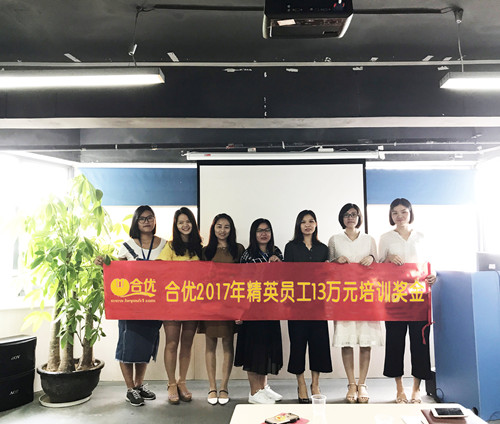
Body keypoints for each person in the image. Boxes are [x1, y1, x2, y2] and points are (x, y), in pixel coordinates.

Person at [95, 205, 166, 407]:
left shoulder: (165, 245)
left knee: (145, 346)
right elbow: (117, 275)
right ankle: (130, 389)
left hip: (154, 305)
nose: (146, 221)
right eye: (142, 218)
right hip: (130, 306)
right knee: (127, 347)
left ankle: (139, 385)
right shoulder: (126, 246)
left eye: (150, 217)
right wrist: (104, 266)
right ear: (136, 222)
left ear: (154, 220)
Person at [378, 198, 436, 404]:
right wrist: (388, 260)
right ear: (390, 215)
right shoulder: (385, 238)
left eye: (403, 211)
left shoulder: (421, 236)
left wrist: (433, 275)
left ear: (410, 213)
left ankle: (416, 389)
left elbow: (429, 264)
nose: (399, 216)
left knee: (419, 342)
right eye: (395, 212)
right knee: (395, 342)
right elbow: (378, 266)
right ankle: (399, 388)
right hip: (394, 297)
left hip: (418, 296)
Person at [328, 203, 382, 404]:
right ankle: (351, 383)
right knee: (347, 341)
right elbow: (326, 267)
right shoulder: (334, 239)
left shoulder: (369, 239)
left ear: (359, 217)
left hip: (366, 296)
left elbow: (378, 265)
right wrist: (335, 261)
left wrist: (371, 257)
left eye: (353, 214)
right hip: (344, 296)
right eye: (346, 215)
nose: (350, 218)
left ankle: (362, 384)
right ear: (341, 218)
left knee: (366, 342)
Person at [284, 210, 332, 403]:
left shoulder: (323, 248)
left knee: (318, 344)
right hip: (296, 304)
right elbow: (287, 274)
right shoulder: (291, 247)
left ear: (316, 224)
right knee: (298, 344)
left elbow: (327, 276)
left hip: (318, 304)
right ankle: (301, 383)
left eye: (311, 221)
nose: (307, 225)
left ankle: (315, 383)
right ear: (298, 225)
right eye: (303, 222)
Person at [234, 218, 284, 404]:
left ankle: (264, 387)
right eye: (260, 230)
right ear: (253, 234)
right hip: (252, 310)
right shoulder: (248, 255)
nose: (264, 233)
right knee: (254, 351)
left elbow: (285, 278)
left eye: (267, 230)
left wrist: (279, 263)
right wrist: (239, 310)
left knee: (267, 349)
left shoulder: (276, 252)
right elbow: (241, 284)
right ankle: (254, 392)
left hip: (271, 309)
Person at [156, 207, 203, 405]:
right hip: (172, 304)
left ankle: (182, 382)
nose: (185, 225)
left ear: (193, 223)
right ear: (176, 225)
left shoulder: (200, 248)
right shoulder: (170, 246)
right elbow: (159, 270)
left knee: (187, 344)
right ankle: (171, 383)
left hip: (193, 303)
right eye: (181, 222)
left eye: (188, 221)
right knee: (172, 343)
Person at [199, 213, 244, 405]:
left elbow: (244, 278)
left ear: (231, 229)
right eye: (219, 226)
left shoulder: (238, 249)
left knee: (227, 344)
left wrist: (240, 307)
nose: (222, 230)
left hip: (231, 303)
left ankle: (224, 386)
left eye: (226, 226)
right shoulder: (205, 251)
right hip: (210, 303)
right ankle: (212, 387)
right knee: (210, 345)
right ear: (213, 228)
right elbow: (199, 278)